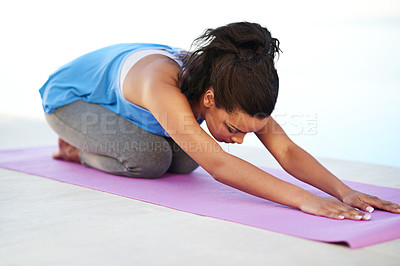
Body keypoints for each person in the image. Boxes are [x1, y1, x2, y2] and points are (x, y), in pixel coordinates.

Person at [39, 22, 400, 220]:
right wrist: (304, 200)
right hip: (71, 103)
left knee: (183, 160)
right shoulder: (161, 85)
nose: (240, 140)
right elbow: (220, 166)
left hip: (132, 111)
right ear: (209, 99)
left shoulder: (233, 89)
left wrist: (343, 191)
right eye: (235, 129)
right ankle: (75, 149)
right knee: (151, 160)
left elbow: (286, 150)